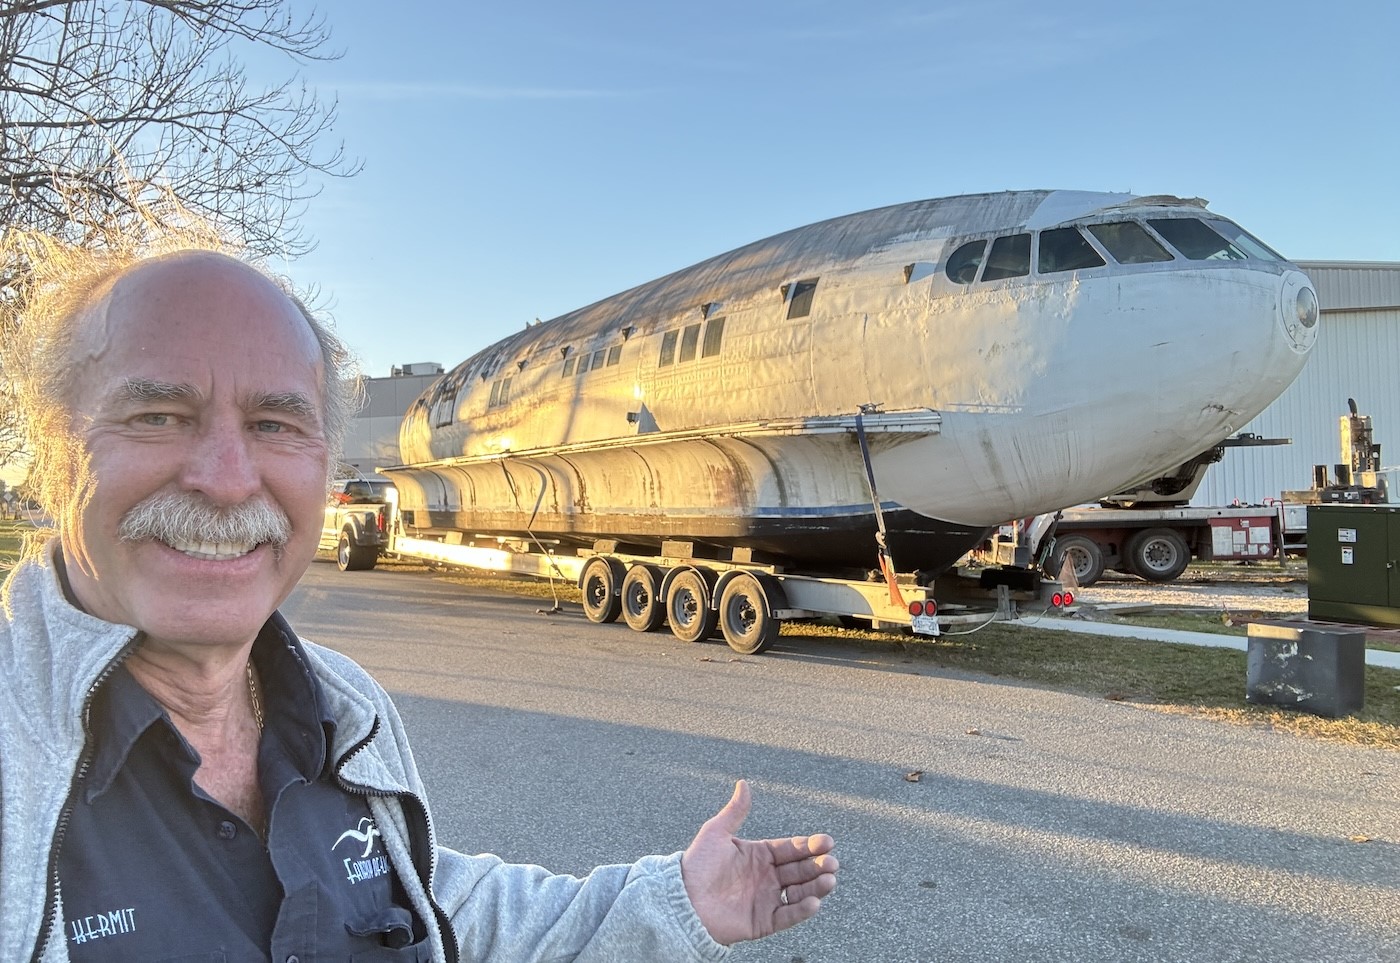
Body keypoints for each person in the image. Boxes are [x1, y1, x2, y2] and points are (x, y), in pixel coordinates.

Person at [0, 244, 838, 962]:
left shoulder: (341, 709)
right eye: (157, 414)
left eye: (275, 425)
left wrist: (671, 900)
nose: (225, 478)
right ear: (51, 454)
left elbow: (430, 898)